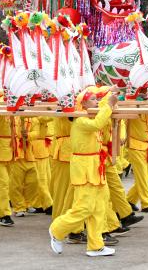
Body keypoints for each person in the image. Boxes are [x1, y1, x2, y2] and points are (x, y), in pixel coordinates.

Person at [49, 86, 117, 257]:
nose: (96, 102)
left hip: (94, 165)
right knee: (84, 207)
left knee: (99, 207)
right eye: (93, 100)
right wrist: (108, 105)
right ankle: (57, 230)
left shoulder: (87, 114)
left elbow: (101, 113)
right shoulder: (80, 120)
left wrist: (109, 97)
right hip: (84, 167)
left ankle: (95, 246)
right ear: (84, 103)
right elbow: (98, 123)